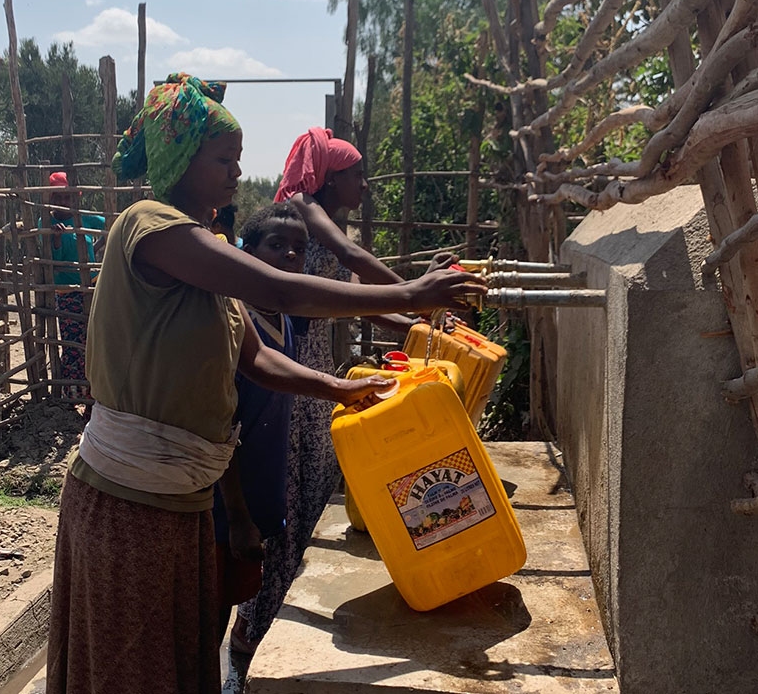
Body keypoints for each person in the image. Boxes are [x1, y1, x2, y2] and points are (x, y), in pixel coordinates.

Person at [45, 74, 485, 694]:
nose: (234, 174)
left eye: (239, 161)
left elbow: (255, 361)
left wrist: (337, 391)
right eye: (223, 160)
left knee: (180, 661)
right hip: (129, 504)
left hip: (186, 504)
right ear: (180, 161)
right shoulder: (149, 227)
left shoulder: (208, 255)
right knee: (132, 668)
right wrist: (411, 294)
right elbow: (277, 290)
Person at [235, 126, 419, 655]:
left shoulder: (325, 219)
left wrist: (412, 325)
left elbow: (355, 300)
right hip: (286, 359)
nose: (365, 182)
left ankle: (271, 615)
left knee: (312, 488)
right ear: (331, 178)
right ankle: (251, 626)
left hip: (313, 366)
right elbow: (355, 264)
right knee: (281, 493)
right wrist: (421, 298)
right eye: (357, 174)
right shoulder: (305, 211)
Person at [211, 203, 307, 660]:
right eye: (277, 246)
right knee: (205, 618)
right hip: (226, 511)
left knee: (230, 604)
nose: (291, 255)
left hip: (259, 503)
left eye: (299, 250)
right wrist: (238, 517)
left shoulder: (284, 319)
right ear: (246, 254)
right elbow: (222, 424)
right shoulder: (234, 324)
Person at [46, 171, 106, 393]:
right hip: (66, 291)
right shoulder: (47, 222)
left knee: (91, 338)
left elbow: (110, 226)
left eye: (67, 197)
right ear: (50, 199)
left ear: (75, 198)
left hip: (90, 286)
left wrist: (95, 249)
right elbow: (53, 262)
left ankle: (90, 389)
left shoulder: (83, 218)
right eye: (58, 198)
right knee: (71, 340)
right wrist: (57, 239)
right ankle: (71, 390)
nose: (63, 202)